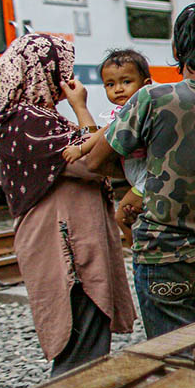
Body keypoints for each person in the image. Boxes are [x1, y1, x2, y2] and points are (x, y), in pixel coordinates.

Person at [85, 3, 195, 338]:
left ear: (177, 50)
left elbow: (95, 161)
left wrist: (148, 177)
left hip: (162, 252)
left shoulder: (153, 98)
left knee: (174, 353)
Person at [0, 33, 136, 375]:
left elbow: (94, 151)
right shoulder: (25, 122)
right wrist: (82, 108)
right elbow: (95, 160)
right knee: (79, 353)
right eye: (61, 68)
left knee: (87, 346)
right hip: (66, 250)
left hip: (72, 243)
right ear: (41, 71)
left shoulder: (38, 118)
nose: (65, 78)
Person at [62, 49, 153, 244]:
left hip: (147, 178)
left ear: (146, 85)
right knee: (138, 217)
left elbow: (104, 133)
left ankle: (139, 249)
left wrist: (80, 150)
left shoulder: (139, 111)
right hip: (139, 175)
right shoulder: (125, 112)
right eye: (110, 84)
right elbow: (106, 131)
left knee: (122, 216)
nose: (118, 89)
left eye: (126, 82)